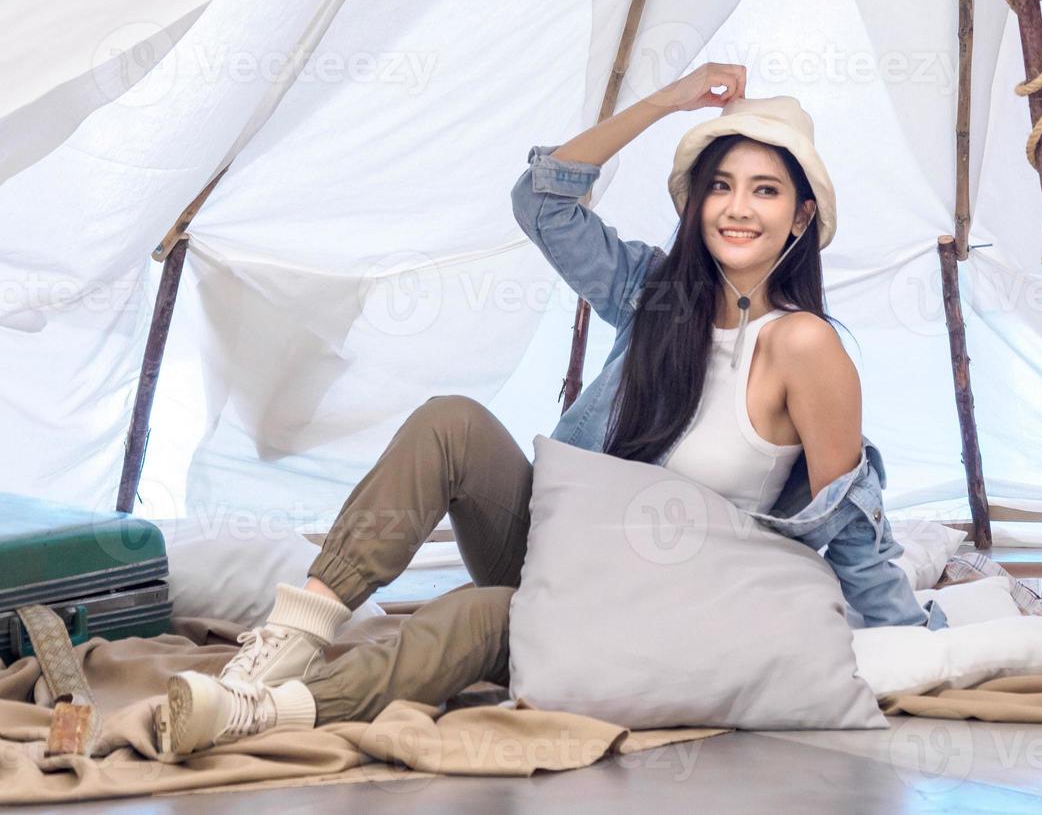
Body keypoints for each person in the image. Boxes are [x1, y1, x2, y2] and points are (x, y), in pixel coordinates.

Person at [161, 63, 945, 756]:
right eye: (720, 185)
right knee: (451, 421)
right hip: (558, 552)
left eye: (765, 190)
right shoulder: (654, 295)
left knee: (478, 617)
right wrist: (669, 101)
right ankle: (288, 644)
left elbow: (850, 517)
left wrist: (903, 643)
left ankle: (264, 713)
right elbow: (542, 201)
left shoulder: (805, 347)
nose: (737, 208)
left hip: (655, 596)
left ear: (800, 219)